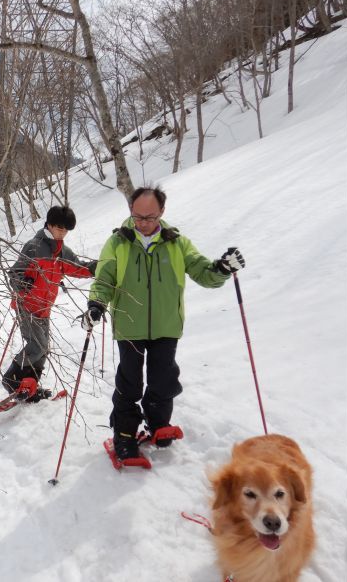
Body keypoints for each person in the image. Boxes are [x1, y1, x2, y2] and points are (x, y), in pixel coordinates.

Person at [86, 186, 245, 459]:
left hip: (167, 326)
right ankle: (124, 433)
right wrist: (96, 304)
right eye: (137, 217)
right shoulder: (118, 242)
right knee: (130, 383)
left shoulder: (177, 243)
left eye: (149, 217)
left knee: (163, 380)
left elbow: (203, 272)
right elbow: (105, 278)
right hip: (129, 326)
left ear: (161, 212)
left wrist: (221, 269)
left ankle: (159, 423)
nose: (143, 224)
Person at [3, 206, 96, 402]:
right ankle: (11, 379)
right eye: (59, 228)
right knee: (38, 346)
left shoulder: (61, 250)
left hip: (44, 308)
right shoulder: (34, 246)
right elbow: (14, 272)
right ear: (49, 225)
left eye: (66, 230)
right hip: (27, 304)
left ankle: (30, 385)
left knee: (43, 349)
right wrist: (23, 283)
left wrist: (95, 268)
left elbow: (77, 268)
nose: (62, 233)